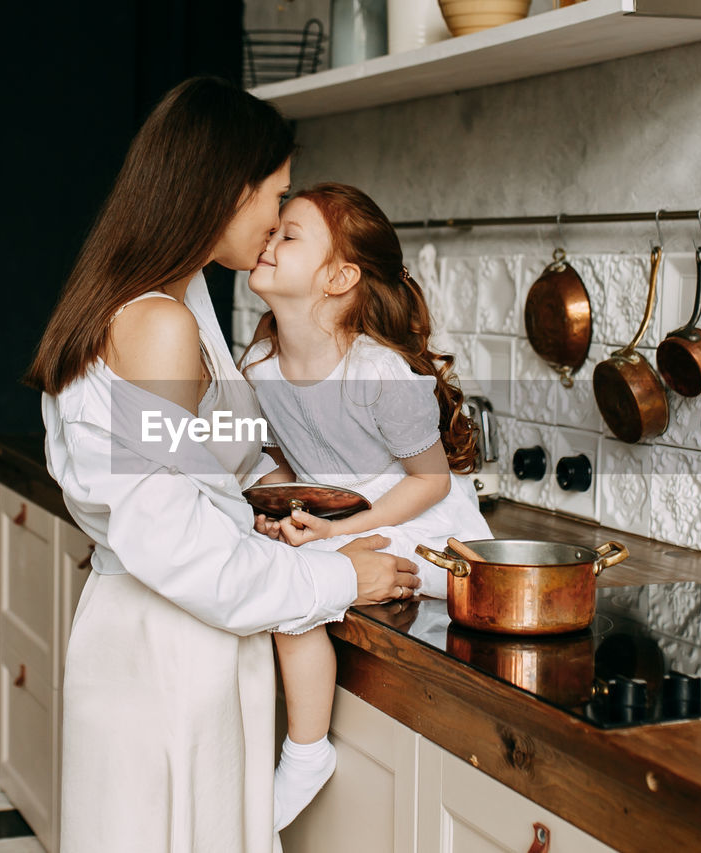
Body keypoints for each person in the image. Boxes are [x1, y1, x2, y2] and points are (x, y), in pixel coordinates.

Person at [25, 80, 420, 853]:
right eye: (276, 194)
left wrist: (277, 486)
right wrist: (346, 579)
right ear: (228, 190)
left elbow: (214, 442)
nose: (278, 218)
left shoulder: (177, 300)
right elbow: (176, 542)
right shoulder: (157, 324)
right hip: (168, 649)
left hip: (174, 637)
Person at [240, 183, 494, 829]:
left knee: (292, 582)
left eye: (288, 235)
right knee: (278, 562)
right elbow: (287, 459)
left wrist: (340, 528)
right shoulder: (263, 362)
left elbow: (431, 482)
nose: (268, 241)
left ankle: (306, 750)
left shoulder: (377, 372)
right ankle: (298, 745)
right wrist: (282, 507)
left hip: (425, 533)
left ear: (340, 276)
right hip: (343, 519)